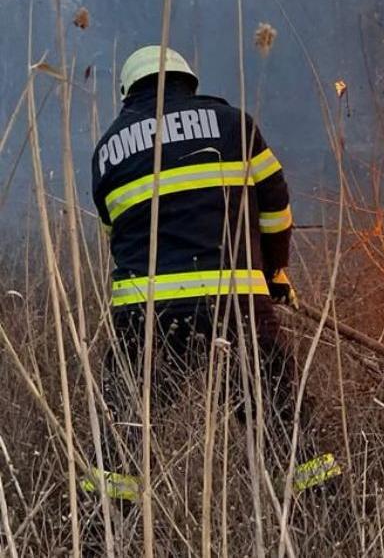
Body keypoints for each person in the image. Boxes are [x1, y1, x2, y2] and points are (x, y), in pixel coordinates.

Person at [87, 45, 340, 501]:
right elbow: (276, 207)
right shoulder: (234, 125)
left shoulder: (106, 150)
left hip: (145, 317)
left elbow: (115, 232)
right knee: (281, 419)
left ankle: (98, 529)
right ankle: (324, 516)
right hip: (236, 305)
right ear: (189, 82)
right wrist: (275, 273)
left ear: (127, 93)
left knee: (125, 430)